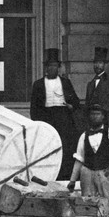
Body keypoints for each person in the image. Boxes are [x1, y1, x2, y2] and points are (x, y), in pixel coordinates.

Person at [66, 103, 109, 217]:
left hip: (104, 174)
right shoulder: (84, 135)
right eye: (92, 114)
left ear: (103, 116)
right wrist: (72, 180)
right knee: (86, 204)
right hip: (87, 173)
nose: (95, 116)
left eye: (98, 114)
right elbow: (79, 159)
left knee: (107, 203)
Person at [30, 48, 81, 180]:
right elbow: (34, 108)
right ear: (45, 68)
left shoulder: (65, 83)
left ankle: (65, 175)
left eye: (54, 66)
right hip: (47, 117)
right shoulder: (38, 84)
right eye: (49, 66)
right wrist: (39, 123)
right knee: (48, 146)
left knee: (65, 146)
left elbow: (76, 102)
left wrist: (71, 106)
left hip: (63, 117)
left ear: (58, 68)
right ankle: (49, 175)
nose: (52, 68)